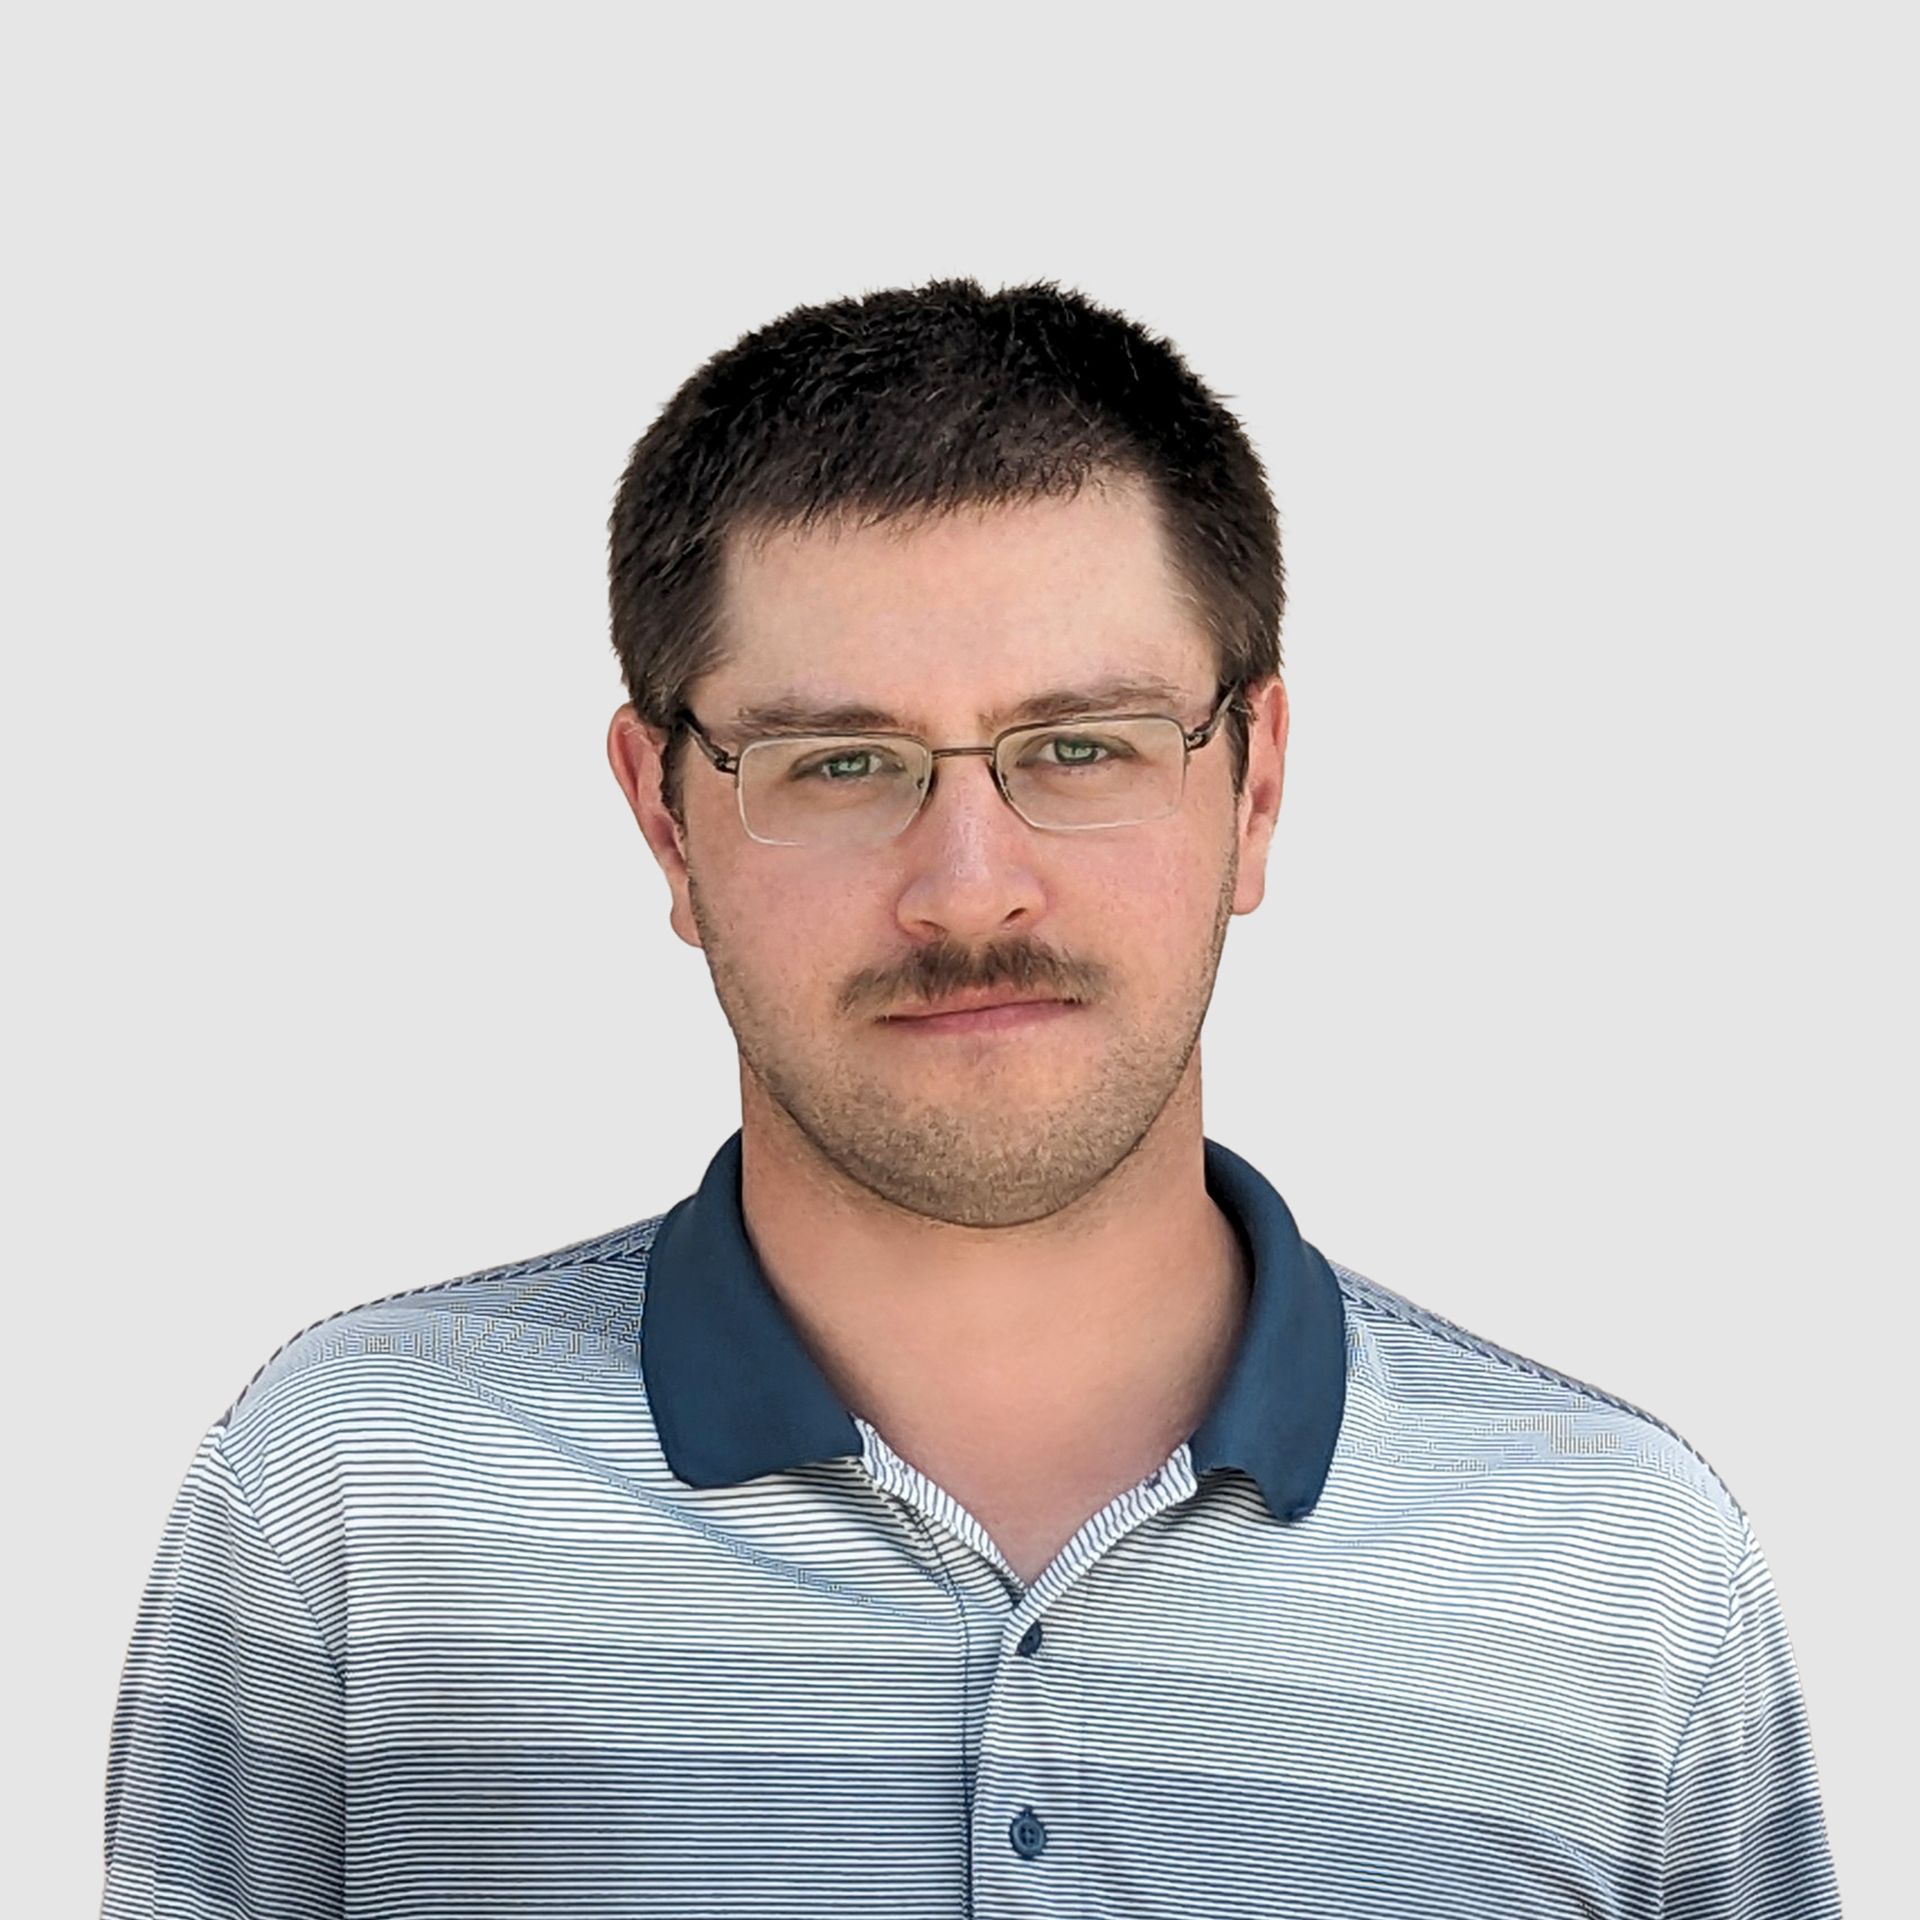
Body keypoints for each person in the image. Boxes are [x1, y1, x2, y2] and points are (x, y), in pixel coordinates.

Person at [101, 277, 1841, 1916]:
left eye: (1081, 746)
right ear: (664, 817)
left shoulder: (1617, 1566)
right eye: (838, 763)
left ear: (1255, 791)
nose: (968, 886)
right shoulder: (352, 1497)